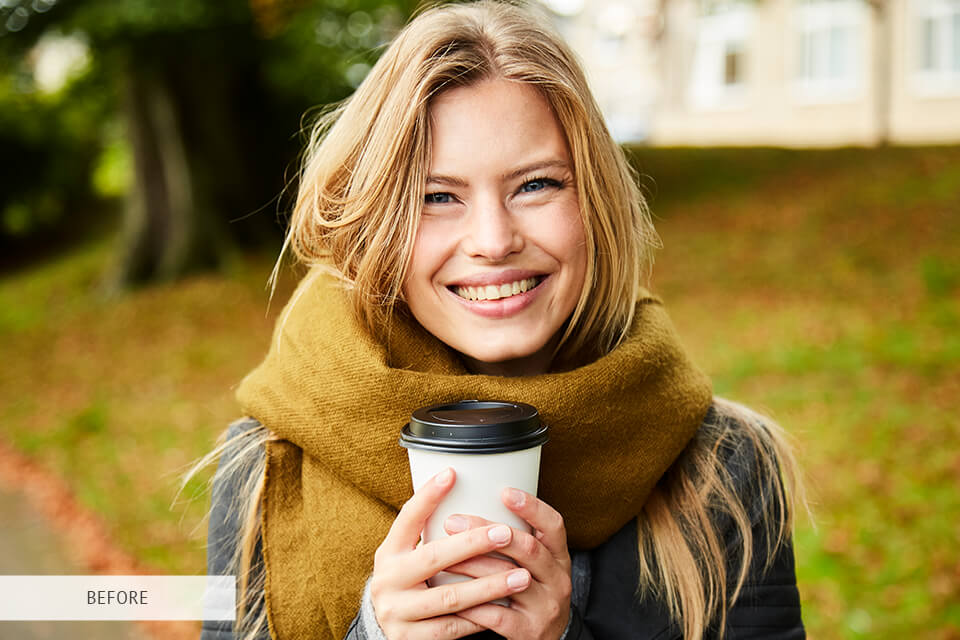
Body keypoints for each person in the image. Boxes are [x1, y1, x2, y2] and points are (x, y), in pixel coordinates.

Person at [195, 2, 805, 639]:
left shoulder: (724, 467)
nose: (492, 240)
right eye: (437, 197)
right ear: (379, 226)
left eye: (536, 184)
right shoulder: (263, 465)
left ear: (594, 198)